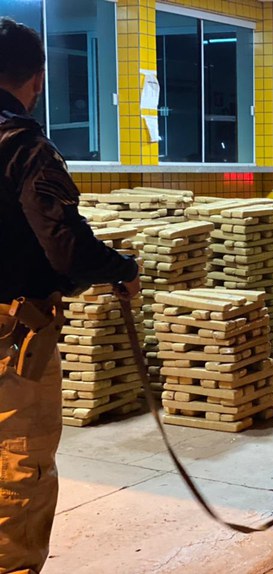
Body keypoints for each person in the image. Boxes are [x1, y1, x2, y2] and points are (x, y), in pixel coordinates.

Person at [0, 17, 140, 574]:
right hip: (12, 335)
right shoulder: (22, 145)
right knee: (19, 465)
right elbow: (65, 248)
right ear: (37, 78)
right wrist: (121, 268)